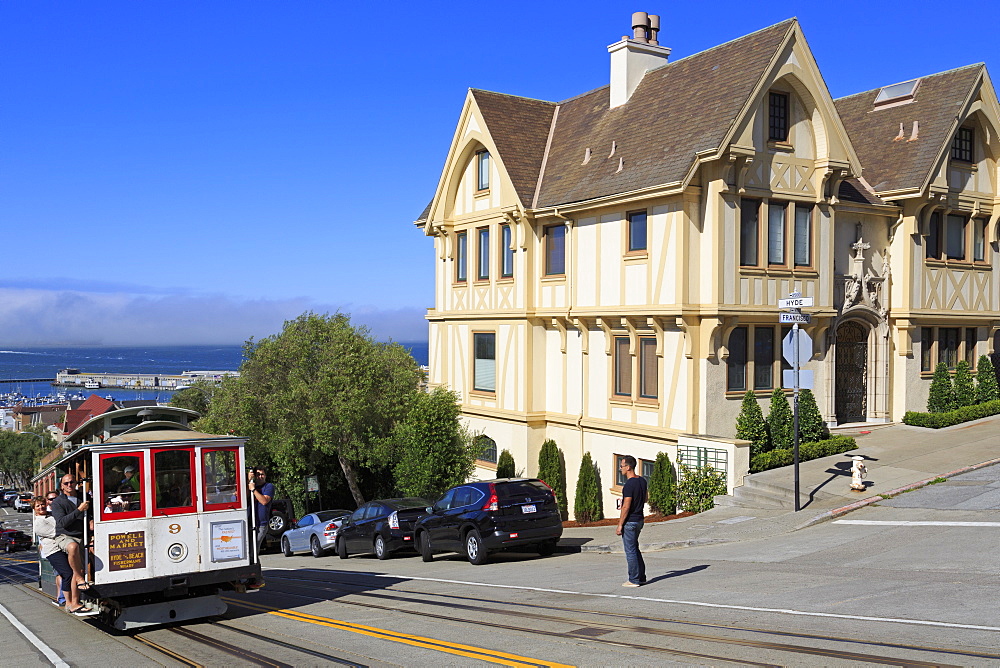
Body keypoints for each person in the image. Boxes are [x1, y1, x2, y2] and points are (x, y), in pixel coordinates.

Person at [33, 496, 96, 615]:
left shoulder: (51, 515)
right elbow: (57, 531)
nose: (41, 507)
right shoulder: (38, 523)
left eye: (42, 504)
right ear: (34, 509)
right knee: (67, 573)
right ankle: (68, 603)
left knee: (74, 571)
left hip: (61, 547)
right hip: (53, 550)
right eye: (38, 506)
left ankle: (74, 601)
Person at [50, 473, 91, 594]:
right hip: (65, 536)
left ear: (76, 483)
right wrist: (79, 509)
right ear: (61, 486)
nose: (69, 485)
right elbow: (62, 522)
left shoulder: (84, 497)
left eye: (72, 482)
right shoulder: (57, 502)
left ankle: (75, 602)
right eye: (66, 483)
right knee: (73, 547)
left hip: (82, 535)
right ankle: (78, 577)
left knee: (86, 561)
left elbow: (92, 513)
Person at [616, 455, 648, 587]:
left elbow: (626, 506)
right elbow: (645, 499)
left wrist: (620, 525)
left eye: (622, 466)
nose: (620, 469)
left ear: (628, 467)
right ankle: (641, 577)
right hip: (640, 519)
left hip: (630, 521)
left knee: (630, 551)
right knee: (635, 548)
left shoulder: (628, 485)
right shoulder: (642, 481)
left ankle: (634, 579)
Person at [248, 467, 274, 554]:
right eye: (258, 474)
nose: (260, 476)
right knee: (247, 550)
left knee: (253, 551)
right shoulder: (251, 485)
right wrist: (248, 480)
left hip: (261, 524)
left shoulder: (269, 486)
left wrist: (254, 490)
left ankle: (254, 566)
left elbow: (264, 501)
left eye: (262, 474)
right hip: (249, 523)